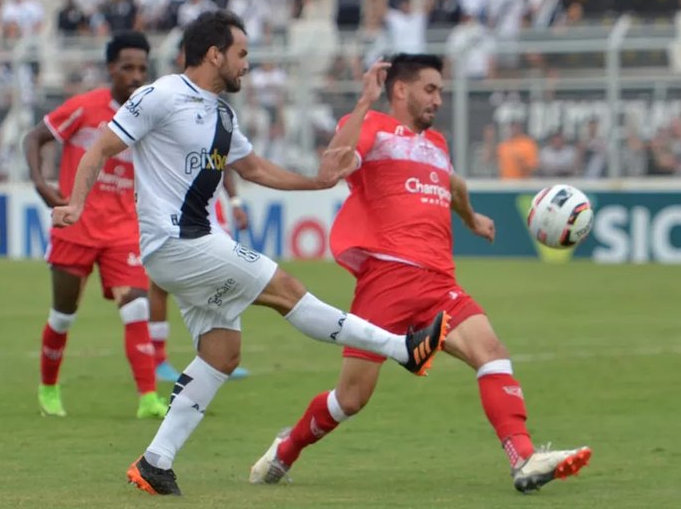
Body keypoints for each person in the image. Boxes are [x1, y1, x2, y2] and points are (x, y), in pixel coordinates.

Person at [51, 10, 450, 496]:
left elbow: (256, 168)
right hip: (180, 242)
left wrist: (318, 182)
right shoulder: (160, 95)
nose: (248, 64)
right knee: (287, 292)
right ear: (215, 54)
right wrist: (74, 203)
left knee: (222, 352)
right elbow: (98, 149)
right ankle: (402, 349)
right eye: (242, 54)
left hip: (191, 246)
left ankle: (155, 462)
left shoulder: (222, 113)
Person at [249, 53, 592, 494]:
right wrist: (362, 102)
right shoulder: (372, 126)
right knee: (350, 399)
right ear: (400, 90)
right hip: (387, 279)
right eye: (430, 90)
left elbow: (454, 184)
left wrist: (470, 218)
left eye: (441, 92)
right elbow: (331, 169)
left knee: (492, 352)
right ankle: (285, 449)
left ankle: (524, 458)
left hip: (438, 283)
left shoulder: (438, 144)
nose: (437, 99)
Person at [25, 31, 168, 420]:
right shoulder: (84, 109)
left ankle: (148, 399)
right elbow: (35, 138)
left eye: (142, 68)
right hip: (77, 226)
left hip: (123, 231)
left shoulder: (152, 117)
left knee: (137, 308)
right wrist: (42, 185)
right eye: (127, 68)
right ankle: (49, 387)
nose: (136, 75)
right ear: (111, 69)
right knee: (63, 315)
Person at [150, 170, 252, 382]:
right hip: (172, 208)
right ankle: (157, 359)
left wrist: (234, 202)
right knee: (160, 282)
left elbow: (227, 162)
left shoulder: (220, 136)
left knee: (221, 280)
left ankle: (217, 356)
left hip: (210, 211)